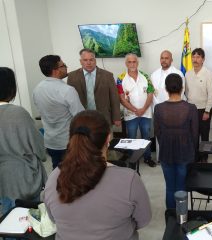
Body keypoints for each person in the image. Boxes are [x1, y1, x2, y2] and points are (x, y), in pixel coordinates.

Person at [44, 110, 151, 240]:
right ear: (108, 138)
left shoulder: (53, 178)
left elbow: (53, 218)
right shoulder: (129, 179)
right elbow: (143, 220)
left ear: (71, 138)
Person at [0, 67, 47, 214]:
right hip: (24, 177)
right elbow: (38, 147)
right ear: (11, 88)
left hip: (3, 180)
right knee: (29, 219)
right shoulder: (17, 113)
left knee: (8, 217)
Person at [154, 73, 198, 208]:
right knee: (181, 187)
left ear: (166, 89)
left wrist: (166, 144)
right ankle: (181, 217)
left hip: (166, 152)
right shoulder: (191, 108)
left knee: (170, 187)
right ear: (182, 88)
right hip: (185, 152)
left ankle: (170, 217)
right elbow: (195, 134)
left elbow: (157, 132)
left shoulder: (159, 108)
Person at [33, 55, 84, 169]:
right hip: (68, 142)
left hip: (50, 142)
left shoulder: (37, 89)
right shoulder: (67, 90)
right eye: (63, 65)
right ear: (55, 70)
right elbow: (81, 117)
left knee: (57, 171)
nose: (66, 67)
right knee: (74, 172)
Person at [116, 53, 156, 167]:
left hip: (145, 113)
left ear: (137, 63)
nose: (132, 64)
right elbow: (121, 98)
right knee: (131, 137)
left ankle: (147, 158)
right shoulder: (120, 78)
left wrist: (143, 109)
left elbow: (150, 93)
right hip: (130, 114)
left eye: (134, 62)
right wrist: (135, 110)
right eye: (129, 62)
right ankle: (132, 160)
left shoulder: (145, 76)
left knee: (146, 136)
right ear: (126, 63)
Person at [67, 48, 121, 126]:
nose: (89, 63)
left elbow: (114, 98)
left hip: (103, 118)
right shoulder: (72, 76)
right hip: (81, 118)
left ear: (95, 60)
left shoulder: (107, 75)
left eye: (91, 60)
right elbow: (69, 99)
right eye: (85, 60)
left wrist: (116, 117)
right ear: (81, 62)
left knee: (106, 138)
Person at [151, 50, 185, 162]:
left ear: (171, 60)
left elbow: (181, 91)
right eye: (162, 58)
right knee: (160, 134)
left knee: (174, 135)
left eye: (166, 58)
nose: (164, 60)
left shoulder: (178, 74)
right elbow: (152, 93)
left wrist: (170, 106)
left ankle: (176, 157)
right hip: (159, 110)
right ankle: (161, 158)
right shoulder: (154, 75)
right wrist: (159, 107)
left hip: (175, 111)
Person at [185, 48, 212, 162]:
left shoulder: (207, 73)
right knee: (193, 134)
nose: (195, 59)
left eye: (198, 57)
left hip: (204, 110)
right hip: (191, 109)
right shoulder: (188, 73)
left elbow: (211, 94)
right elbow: (187, 92)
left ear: (203, 59)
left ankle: (205, 156)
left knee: (205, 135)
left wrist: (207, 111)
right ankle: (195, 156)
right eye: (193, 57)